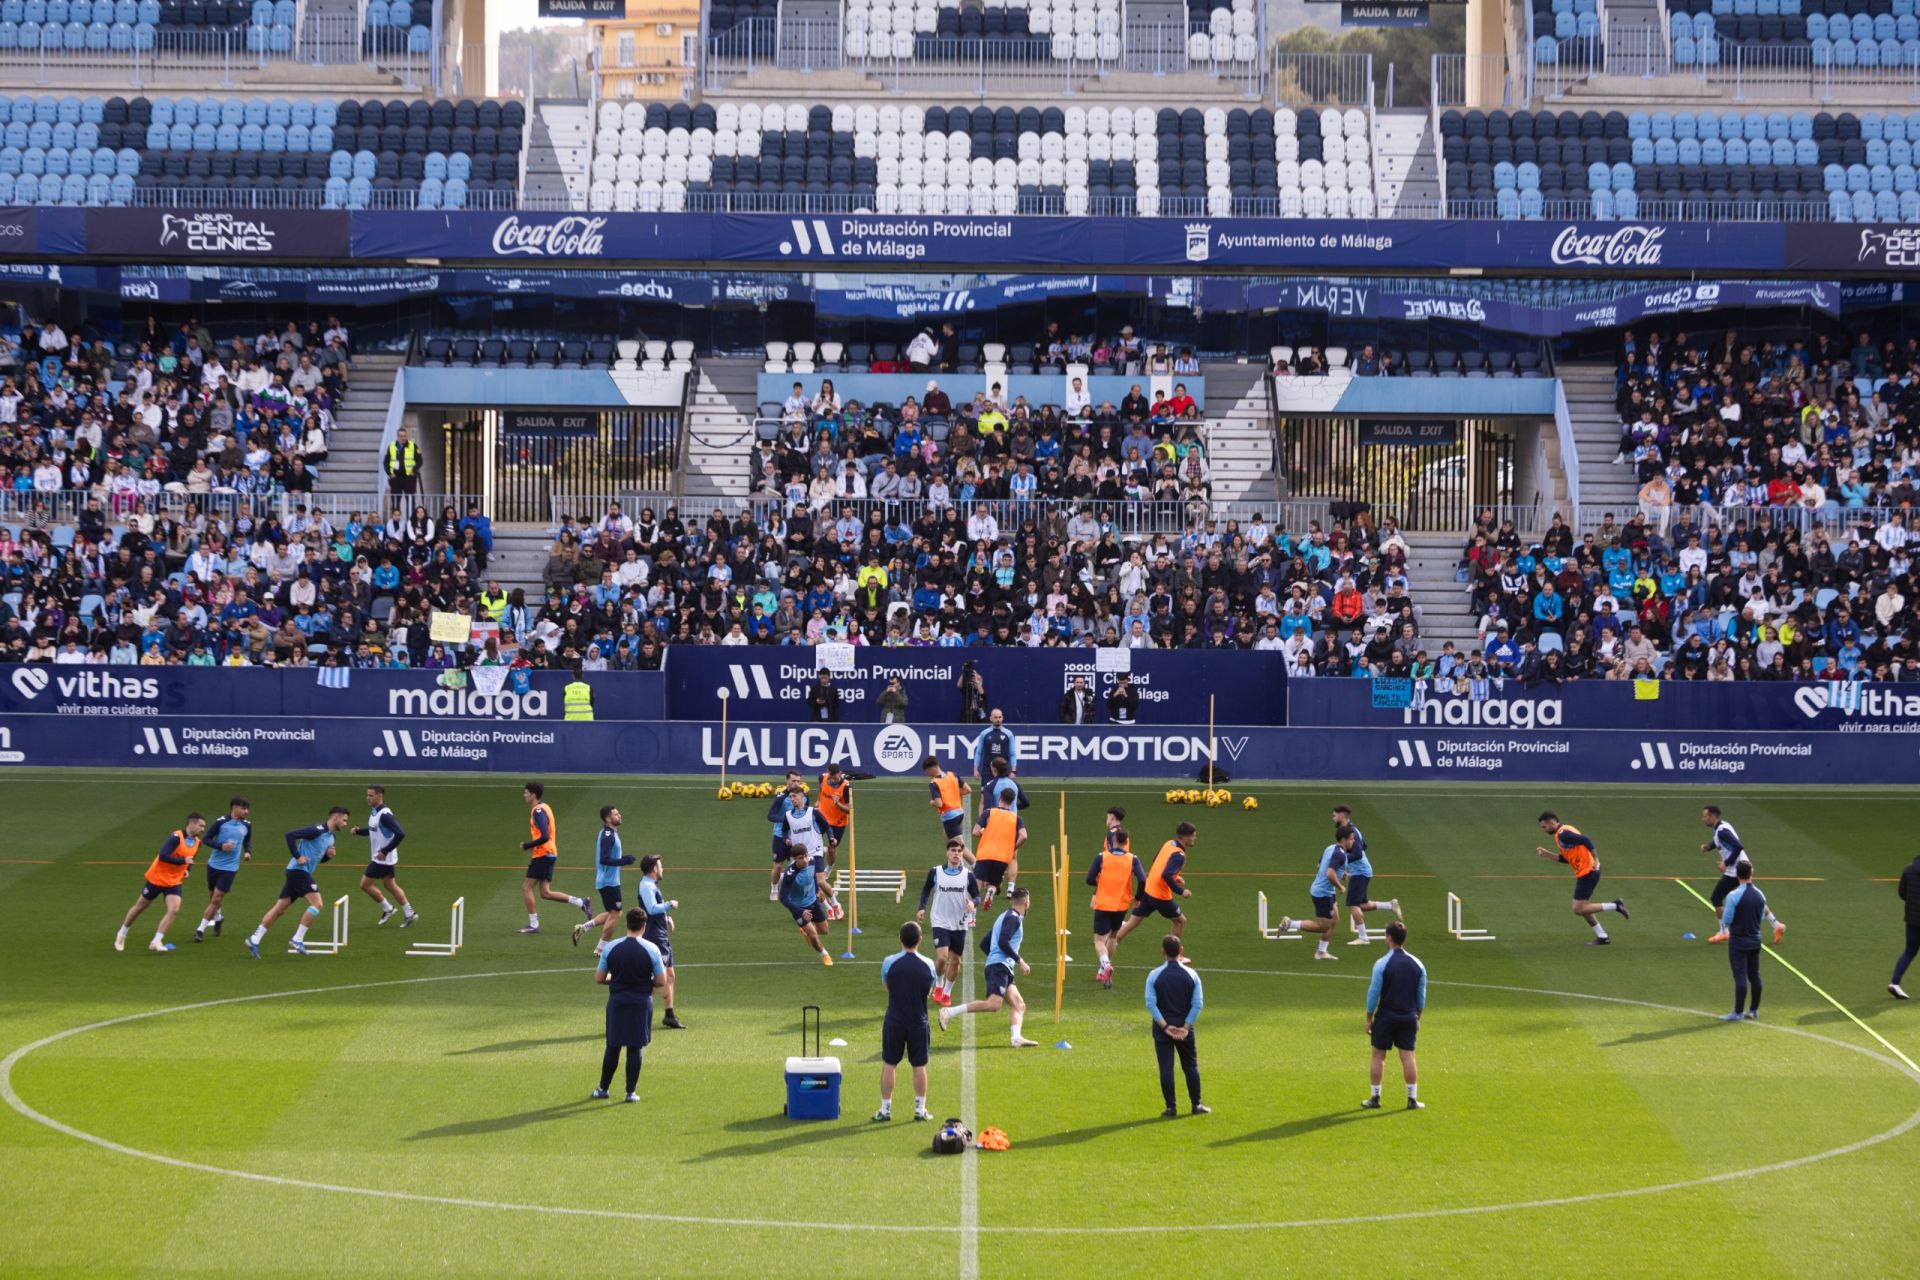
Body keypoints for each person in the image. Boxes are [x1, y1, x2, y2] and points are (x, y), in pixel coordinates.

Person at [246, 807, 353, 957]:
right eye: (344, 820)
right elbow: (290, 835)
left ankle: (254, 939)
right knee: (317, 904)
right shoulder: (317, 830)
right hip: (298, 871)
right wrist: (297, 856)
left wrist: (328, 856)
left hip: (298, 872)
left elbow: (317, 858)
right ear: (335, 818)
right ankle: (297, 939)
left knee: (280, 909)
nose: (346, 823)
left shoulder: (331, 837)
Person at [938, 886, 1038, 1047]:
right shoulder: (1013, 919)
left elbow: (985, 943)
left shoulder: (1004, 916)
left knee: (1019, 1004)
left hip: (1001, 966)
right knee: (993, 1004)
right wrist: (1019, 961)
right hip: (1000, 967)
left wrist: (995, 959)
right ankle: (948, 1012)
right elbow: (1003, 941)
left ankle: (1016, 1038)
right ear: (1026, 902)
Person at [593, 908, 665, 1103]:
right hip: (641, 1003)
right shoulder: (652, 949)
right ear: (644, 925)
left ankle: (603, 1088)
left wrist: (616, 980)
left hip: (617, 1002)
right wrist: (642, 983)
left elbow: (599, 978)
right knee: (635, 1048)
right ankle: (630, 1092)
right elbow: (661, 981)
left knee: (613, 1046)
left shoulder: (611, 947)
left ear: (626, 924)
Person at [115, 812, 208, 953]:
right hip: (157, 878)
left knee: (174, 909)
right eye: (201, 826)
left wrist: (187, 869)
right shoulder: (175, 838)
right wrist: (182, 861)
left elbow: (190, 858)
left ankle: (156, 940)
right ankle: (122, 934)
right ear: (192, 824)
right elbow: (163, 856)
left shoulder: (197, 843)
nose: (203, 829)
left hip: (174, 881)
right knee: (140, 907)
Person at [875, 920, 938, 1122]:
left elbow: (887, 987)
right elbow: (930, 990)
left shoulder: (889, 962)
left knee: (889, 1063)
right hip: (918, 1021)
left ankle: (885, 1110)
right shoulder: (928, 964)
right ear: (920, 940)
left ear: (900, 938)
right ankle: (920, 1110)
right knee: (919, 1065)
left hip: (894, 1019)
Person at [1535, 812, 1629, 945]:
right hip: (1585, 871)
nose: (1543, 830)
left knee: (1578, 909)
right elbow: (1567, 859)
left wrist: (1595, 858)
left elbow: (1586, 840)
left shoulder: (1563, 834)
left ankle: (1616, 905)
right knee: (1584, 907)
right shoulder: (1561, 833)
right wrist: (1548, 854)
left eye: (1544, 827)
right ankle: (1602, 936)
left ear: (1551, 823)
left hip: (1589, 871)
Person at [1362, 921, 1427, 1110]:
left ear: (1389, 937)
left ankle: (1375, 1098)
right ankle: (1412, 1099)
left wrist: (1368, 1018)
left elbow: (1373, 993)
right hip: (1408, 1016)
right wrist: (1417, 1017)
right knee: (1408, 1057)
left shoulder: (1382, 963)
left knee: (1378, 1056)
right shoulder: (1418, 964)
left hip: (1386, 1017)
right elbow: (1421, 996)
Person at [1699, 805, 1784, 945]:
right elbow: (1718, 841)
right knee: (1752, 896)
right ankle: (1776, 925)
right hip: (1741, 867)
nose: (1703, 819)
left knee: (1716, 897)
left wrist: (1726, 862)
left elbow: (1738, 846)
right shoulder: (1721, 827)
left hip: (1737, 870)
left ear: (1713, 817)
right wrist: (1708, 847)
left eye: (1705, 816)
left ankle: (1724, 932)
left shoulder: (1722, 831)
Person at [518, 781, 593, 935]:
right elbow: (553, 831)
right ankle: (581, 902)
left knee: (526, 888)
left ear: (533, 794)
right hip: (550, 853)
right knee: (545, 892)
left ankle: (534, 925)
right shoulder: (546, 807)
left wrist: (528, 845)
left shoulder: (537, 811)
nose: (524, 795)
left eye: (526, 792)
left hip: (543, 854)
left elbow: (545, 835)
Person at [1146, 933, 1208, 1117]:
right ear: (1181, 950)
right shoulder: (1192, 975)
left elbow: (1151, 1003)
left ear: (1163, 952)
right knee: (1190, 1066)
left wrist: (1165, 1027)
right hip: (1184, 1029)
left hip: (1162, 1030)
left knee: (1166, 1069)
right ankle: (1196, 1105)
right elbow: (1198, 1003)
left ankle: (1171, 1107)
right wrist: (1185, 1027)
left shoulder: (1154, 975)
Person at [1272, 825, 1354, 960]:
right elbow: (1329, 873)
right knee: (1322, 926)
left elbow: (1320, 865)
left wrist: (1342, 873)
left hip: (1326, 891)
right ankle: (1290, 923)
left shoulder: (1331, 848)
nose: (1353, 841)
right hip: (1323, 893)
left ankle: (1321, 952)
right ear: (1343, 839)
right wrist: (1340, 886)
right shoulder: (1340, 854)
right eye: (1351, 839)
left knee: (1335, 920)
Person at [916, 837, 981, 1007]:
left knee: (956, 961)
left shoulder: (968, 875)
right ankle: (938, 984)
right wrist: (922, 907)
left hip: (959, 922)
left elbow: (977, 896)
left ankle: (946, 992)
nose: (956, 854)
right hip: (940, 920)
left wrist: (973, 903)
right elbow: (926, 890)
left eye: (959, 851)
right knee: (942, 957)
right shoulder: (935, 872)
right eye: (953, 851)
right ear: (947, 852)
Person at [1086, 810, 1145, 987]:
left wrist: (1099, 880)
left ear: (1112, 841)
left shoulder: (1101, 857)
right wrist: (1138, 898)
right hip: (1121, 905)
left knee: (1098, 940)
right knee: (1113, 938)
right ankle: (1104, 973)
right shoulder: (1132, 859)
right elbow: (1142, 879)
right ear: (1126, 842)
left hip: (1104, 902)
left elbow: (1089, 879)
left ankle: (1105, 965)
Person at [1114, 821, 1195, 947]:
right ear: (1186, 837)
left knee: (1131, 924)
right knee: (1180, 921)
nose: (1195, 838)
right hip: (1160, 896)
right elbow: (1166, 875)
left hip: (1148, 889)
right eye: (1193, 835)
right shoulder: (1179, 855)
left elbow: (1156, 861)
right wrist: (1181, 891)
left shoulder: (1169, 843)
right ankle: (1173, 955)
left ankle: (1110, 944)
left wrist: (1175, 876)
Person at [1332, 804, 1402, 944]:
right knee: (1361, 904)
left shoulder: (1351, 832)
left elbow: (1357, 853)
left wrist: (1342, 862)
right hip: (1361, 870)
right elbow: (1363, 846)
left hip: (1360, 872)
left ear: (1342, 815)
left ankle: (1363, 938)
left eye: (1334, 815)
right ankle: (1390, 905)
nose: (1332, 818)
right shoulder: (1351, 830)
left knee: (1353, 905)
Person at [352, 784, 417, 928]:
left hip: (381, 859)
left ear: (380, 796)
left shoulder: (385, 815)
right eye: (367, 795)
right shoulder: (375, 811)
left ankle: (388, 909)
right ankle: (409, 913)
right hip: (385, 859)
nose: (367, 798)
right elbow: (373, 830)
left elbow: (400, 834)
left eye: (371, 795)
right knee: (390, 885)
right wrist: (358, 832)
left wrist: (385, 851)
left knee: (364, 885)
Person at [779, 784, 843, 921]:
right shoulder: (788, 816)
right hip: (798, 855)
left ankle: (835, 902)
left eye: (794, 796)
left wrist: (831, 838)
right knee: (806, 884)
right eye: (790, 797)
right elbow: (784, 831)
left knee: (820, 881)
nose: (792, 799)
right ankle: (826, 908)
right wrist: (786, 839)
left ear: (802, 796)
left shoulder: (813, 812)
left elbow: (826, 826)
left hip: (814, 851)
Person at [576, 804, 634, 952]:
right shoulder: (608, 835)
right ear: (608, 818)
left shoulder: (609, 833)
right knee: (616, 914)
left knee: (612, 912)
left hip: (607, 881)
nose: (619, 816)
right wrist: (624, 860)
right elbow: (604, 859)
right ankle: (601, 949)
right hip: (609, 882)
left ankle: (583, 928)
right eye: (616, 814)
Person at [191, 797, 250, 943]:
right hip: (214, 865)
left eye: (247, 808)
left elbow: (248, 839)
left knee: (217, 898)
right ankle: (219, 918)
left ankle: (200, 929)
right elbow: (206, 839)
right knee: (213, 898)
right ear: (234, 808)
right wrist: (221, 846)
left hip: (230, 868)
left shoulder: (247, 825)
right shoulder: (221, 822)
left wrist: (247, 851)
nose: (246, 811)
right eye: (243, 808)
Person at [637, 855, 685, 1030]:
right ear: (654, 869)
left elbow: (654, 908)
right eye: (660, 866)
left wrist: (666, 917)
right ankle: (639, 1015)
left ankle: (669, 1015)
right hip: (654, 937)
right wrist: (669, 905)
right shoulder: (647, 886)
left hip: (660, 935)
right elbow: (650, 908)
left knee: (669, 976)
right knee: (657, 978)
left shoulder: (650, 885)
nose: (662, 868)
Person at [1718, 862, 1767, 1021]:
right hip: (1755, 940)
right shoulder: (1760, 894)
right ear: (1751, 874)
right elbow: (1760, 917)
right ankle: (1753, 1010)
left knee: (1740, 977)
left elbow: (1726, 919)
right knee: (1755, 975)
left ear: (1737, 875)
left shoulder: (1733, 895)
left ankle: (1737, 1012)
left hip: (1739, 941)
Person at [970, 788, 1027, 912]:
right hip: (1002, 857)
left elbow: (975, 832)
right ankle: (991, 890)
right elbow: (1024, 835)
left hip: (985, 853)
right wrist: (1013, 847)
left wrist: (984, 834)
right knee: (993, 884)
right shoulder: (1016, 818)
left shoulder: (988, 813)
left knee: (977, 886)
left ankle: (971, 916)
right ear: (1012, 802)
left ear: (1000, 797)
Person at [778, 846, 835, 966]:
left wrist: (818, 889)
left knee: (824, 931)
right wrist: (799, 911)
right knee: (813, 936)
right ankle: (824, 954)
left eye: (805, 856)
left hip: (813, 902)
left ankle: (805, 931)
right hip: (799, 908)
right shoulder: (790, 875)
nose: (804, 860)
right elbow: (782, 898)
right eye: (800, 858)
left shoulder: (812, 861)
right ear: (794, 859)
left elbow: (813, 875)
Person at [765, 768, 804, 901]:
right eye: (794, 781)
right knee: (778, 865)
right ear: (787, 781)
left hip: (796, 835)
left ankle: (791, 887)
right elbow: (770, 816)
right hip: (780, 835)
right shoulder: (781, 798)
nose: (796, 783)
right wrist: (786, 819)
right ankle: (774, 889)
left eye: (798, 781)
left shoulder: (803, 796)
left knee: (796, 863)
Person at [922, 755, 972, 847]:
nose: (928, 775)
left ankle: (974, 861)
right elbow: (968, 789)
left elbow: (939, 804)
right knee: (946, 835)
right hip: (959, 812)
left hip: (950, 816)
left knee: (960, 846)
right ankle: (954, 858)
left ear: (930, 769)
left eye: (927, 772)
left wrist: (932, 802)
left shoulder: (934, 783)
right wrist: (952, 795)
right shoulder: (953, 775)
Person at [1891, 850, 1920, 1000]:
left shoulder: (1909, 870)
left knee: (1909, 951)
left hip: (1912, 919)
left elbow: (1902, 893)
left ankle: (1894, 983)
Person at [971, 706, 1017, 790]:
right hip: (987, 771)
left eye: (999, 717)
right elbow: (978, 752)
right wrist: (975, 769)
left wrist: (1013, 771)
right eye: (995, 717)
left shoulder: (1009, 734)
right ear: (991, 718)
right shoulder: (984, 734)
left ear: (1002, 718)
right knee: (984, 797)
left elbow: (1012, 754)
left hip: (1003, 770)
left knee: (1002, 797)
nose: (998, 719)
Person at [817, 762, 853, 868]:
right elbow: (821, 789)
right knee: (812, 841)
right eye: (831, 777)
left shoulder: (846, 787)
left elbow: (848, 810)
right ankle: (821, 851)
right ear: (828, 773)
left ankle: (828, 868)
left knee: (832, 849)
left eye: (835, 778)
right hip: (822, 817)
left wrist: (837, 803)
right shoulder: (822, 778)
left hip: (838, 822)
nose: (833, 780)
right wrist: (819, 800)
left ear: (840, 773)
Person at [383, 425, 420, 496]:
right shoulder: (391, 446)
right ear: (397, 437)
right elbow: (386, 462)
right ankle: (396, 507)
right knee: (395, 502)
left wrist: (414, 470)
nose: (403, 438)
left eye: (405, 436)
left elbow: (419, 461)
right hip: (395, 477)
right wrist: (390, 474)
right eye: (401, 436)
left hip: (409, 477)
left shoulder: (412, 446)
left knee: (410, 501)